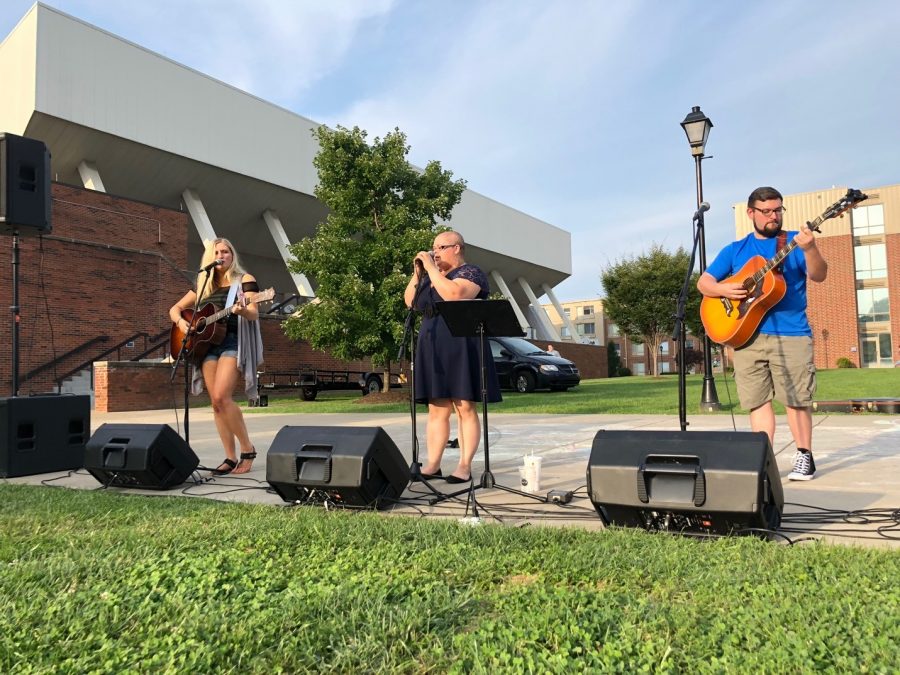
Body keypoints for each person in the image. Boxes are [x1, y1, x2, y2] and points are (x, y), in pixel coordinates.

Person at [697, 186, 827, 480]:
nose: (773, 216)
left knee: (796, 399)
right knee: (757, 401)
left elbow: (819, 275)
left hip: (791, 332)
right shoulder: (736, 249)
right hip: (746, 334)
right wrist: (722, 289)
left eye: (778, 210)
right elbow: (704, 283)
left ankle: (804, 457)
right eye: (766, 211)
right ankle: (764, 461)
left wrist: (811, 248)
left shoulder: (795, 241)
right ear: (751, 213)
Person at [404, 230, 501, 483]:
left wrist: (431, 270)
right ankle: (433, 464)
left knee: (464, 407)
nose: (434, 252)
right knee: (436, 409)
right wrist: (418, 273)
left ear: (457, 248)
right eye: (433, 248)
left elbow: (454, 295)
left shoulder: (471, 273)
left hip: (462, 346)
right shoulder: (430, 277)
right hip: (432, 347)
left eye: (441, 247)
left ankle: (464, 466)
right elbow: (410, 302)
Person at [169, 238, 264, 475]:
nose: (222, 255)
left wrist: (242, 310)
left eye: (226, 251)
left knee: (223, 396)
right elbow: (174, 309)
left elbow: (253, 313)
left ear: (232, 256)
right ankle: (230, 457)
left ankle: (247, 449)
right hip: (207, 346)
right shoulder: (204, 284)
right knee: (215, 403)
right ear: (210, 258)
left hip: (232, 342)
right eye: (217, 252)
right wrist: (183, 324)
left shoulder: (244, 280)